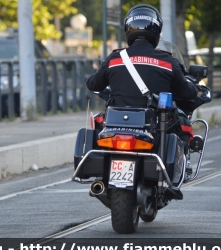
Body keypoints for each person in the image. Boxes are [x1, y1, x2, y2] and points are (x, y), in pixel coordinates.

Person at [86, 4, 201, 181]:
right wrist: (191, 85)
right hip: (153, 125)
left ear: (128, 29)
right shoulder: (167, 61)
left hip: (116, 123)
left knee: (98, 121)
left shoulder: (115, 58)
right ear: (156, 30)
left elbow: (93, 83)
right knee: (184, 124)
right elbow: (188, 92)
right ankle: (182, 170)